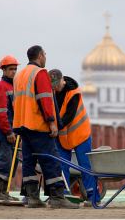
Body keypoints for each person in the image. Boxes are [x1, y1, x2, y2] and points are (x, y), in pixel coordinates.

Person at [12, 45, 79, 209]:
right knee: (51, 160)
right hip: (38, 125)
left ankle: (33, 198)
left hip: (22, 125)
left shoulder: (19, 75)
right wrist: (51, 122)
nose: (46, 57)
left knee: (28, 161)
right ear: (40, 56)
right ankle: (57, 198)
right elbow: (45, 99)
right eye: (45, 55)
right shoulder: (40, 73)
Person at [48, 69, 101, 207]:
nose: (56, 87)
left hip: (80, 133)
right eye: (53, 85)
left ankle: (93, 197)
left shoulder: (74, 93)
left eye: (57, 84)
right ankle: (63, 196)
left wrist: (54, 127)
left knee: (85, 165)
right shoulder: (53, 92)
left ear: (63, 80)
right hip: (64, 135)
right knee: (61, 165)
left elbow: (68, 116)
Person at [0, 55, 21, 203]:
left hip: (13, 132)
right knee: (4, 161)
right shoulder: (2, 86)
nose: (14, 72)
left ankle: (4, 192)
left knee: (12, 163)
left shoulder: (13, 86)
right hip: (6, 133)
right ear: (3, 69)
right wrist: (8, 131)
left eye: (15, 69)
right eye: (11, 69)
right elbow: (1, 113)